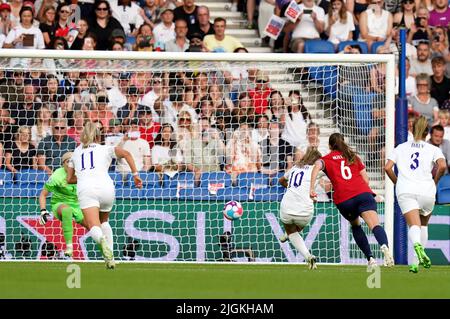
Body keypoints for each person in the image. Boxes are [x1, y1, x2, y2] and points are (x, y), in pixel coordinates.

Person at [310, 133, 394, 268]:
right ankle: (384, 246)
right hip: (363, 194)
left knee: (356, 225)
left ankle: (370, 259)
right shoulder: (353, 157)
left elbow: (316, 167)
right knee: (375, 225)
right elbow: (366, 180)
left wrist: (311, 188)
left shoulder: (326, 159)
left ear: (330, 146)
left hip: (344, 199)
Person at [66, 122, 142, 269]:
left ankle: (101, 241)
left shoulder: (75, 152)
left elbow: (69, 179)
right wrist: (135, 175)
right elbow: (126, 153)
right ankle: (111, 259)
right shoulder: (106, 149)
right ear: (98, 136)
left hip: (87, 189)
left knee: (93, 225)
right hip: (107, 187)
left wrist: (83, 176)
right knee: (104, 221)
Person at [385, 116, 446, 273]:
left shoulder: (400, 147)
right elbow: (442, 166)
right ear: (428, 133)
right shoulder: (433, 149)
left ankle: (417, 246)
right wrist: (435, 181)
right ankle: (415, 262)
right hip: (427, 191)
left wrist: (397, 182)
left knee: (414, 226)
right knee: (423, 225)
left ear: (411, 129)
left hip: (406, 190)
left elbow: (387, 168)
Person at [278, 146, 323, 270]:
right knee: (298, 225)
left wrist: (291, 188)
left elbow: (281, 180)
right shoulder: (317, 169)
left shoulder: (295, 167)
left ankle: (308, 255)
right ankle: (289, 234)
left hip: (287, 207)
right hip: (304, 211)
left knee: (292, 231)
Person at [38, 152, 88, 258]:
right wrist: (43, 211)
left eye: (72, 161)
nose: (70, 163)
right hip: (60, 203)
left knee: (94, 226)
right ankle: (69, 246)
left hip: (78, 205)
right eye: (67, 161)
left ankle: (108, 253)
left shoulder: (83, 173)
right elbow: (43, 194)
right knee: (67, 210)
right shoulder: (57, 175)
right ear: (63, 164)